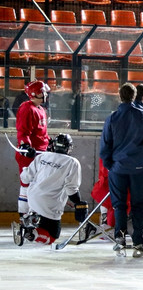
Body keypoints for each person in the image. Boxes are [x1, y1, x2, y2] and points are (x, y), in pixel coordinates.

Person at [100, 83, 143, 258]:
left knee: (119, 204)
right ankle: (138, 241)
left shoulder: (112, 118)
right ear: (135, 96)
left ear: (120, 96)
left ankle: (119, 237)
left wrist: (110, 164)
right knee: (138, 205)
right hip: (138, 167)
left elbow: (105, 145)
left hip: (118, 168)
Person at [13, 134, 89, 246]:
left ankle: (32, 218)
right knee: (53, 236)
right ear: (68, 147)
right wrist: (78, 203)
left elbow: (25, 177)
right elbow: (71, 189)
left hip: (32, 198)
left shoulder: (41, 157)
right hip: (50, 204)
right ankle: (31, 233)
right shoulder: (72, 162)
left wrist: (26, 165)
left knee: (43, 219)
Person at [15, 80, 51, 216]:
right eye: (43, 92)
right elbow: (23, 131)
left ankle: (34, 213)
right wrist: (25, 146)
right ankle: (24, 215)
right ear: (36, 94)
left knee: (38, 185)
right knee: (26, 184)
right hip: (29, 155)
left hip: (41, 154)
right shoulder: (26, 108)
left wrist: (49, 142)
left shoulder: (41, 109)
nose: (46, 94)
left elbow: (41, 132)